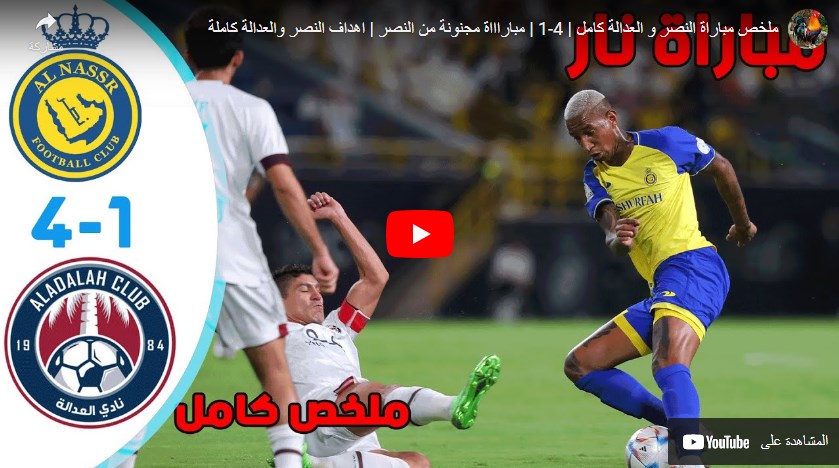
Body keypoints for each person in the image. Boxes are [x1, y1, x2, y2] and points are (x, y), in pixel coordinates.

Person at [562, 90, 757, 464]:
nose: (586, 145)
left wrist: (743, 223)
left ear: (611, 119)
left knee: (668, 364)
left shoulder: (667, 143)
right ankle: (684, 429)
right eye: (576, 138)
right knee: (581, 364)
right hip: (662, 286)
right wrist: (619, 239)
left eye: (589, 132)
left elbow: (722, 167)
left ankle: (690, 458)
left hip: (694, 266)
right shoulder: (594, 175)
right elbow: (611, 231)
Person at [184, 7, 340, 468]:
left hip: (165, 256)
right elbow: (284, 185)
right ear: (238, 57)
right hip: (232, 254)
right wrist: (319, 249)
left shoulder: (159, 104)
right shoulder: (253, 109)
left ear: (188, 54)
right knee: (275, 373)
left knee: (142, 370)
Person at [276, 192, 501, 468]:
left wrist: (339, 217)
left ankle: (316, 465)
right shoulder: (274, 331)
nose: (317, 296)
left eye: (317, 289)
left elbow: (376, 278)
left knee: (417, 462)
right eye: (304, 289)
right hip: (319, 414)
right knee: (376, 393)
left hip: (352, 429)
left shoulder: (338, 328)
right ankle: (452, 406)